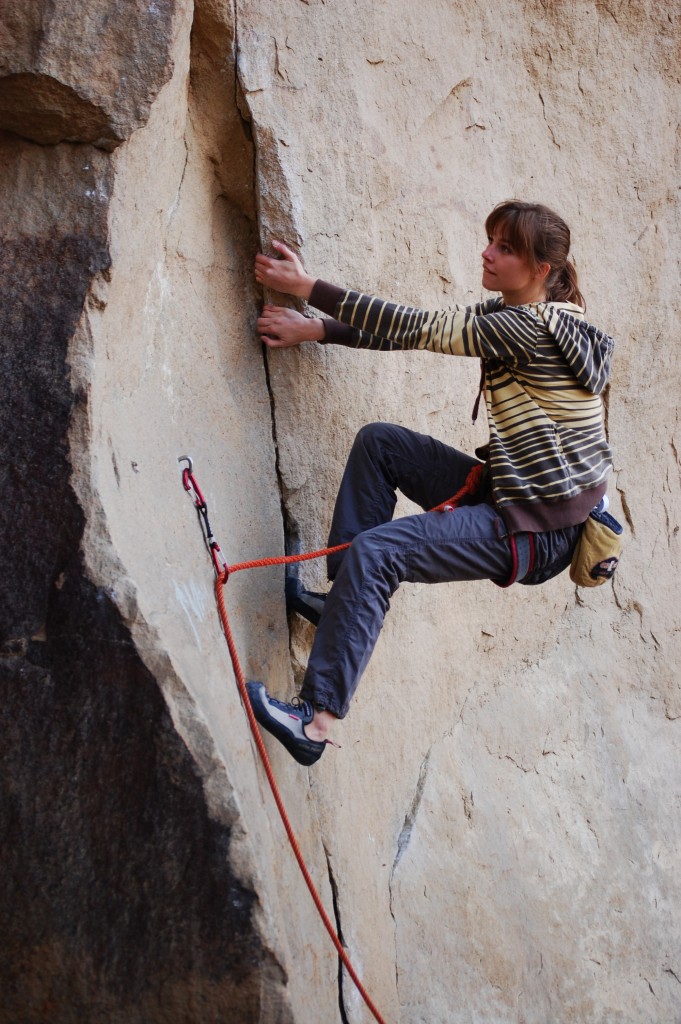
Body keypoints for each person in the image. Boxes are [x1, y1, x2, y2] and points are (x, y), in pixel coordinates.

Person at [246, 200, 615, 766]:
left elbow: (418, 326)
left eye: (506, 248)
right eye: (491, 239)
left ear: (541, 269)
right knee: (381, 444)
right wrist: (316, 329)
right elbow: (414, 336)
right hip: (515, 496)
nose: (487, 253)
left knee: (379, 551)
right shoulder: (527, 314)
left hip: (536, 529)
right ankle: (341, 606)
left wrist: (307, 285)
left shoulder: (530, 328)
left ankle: (314, 722)